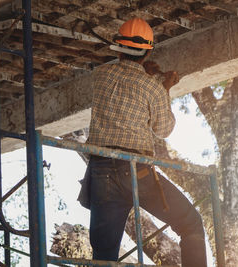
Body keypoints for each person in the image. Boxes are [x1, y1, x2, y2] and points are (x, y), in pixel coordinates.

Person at [80, 17, 207, 267]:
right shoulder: (153, 87)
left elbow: (125, 81)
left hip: (101, 172)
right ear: (148, 51)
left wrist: (147, 76)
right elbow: (164, 129)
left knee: (104, 256)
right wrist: (165, 87)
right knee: (191, 223)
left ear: (119, 48)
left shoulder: (100, 76)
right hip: (135, 171)